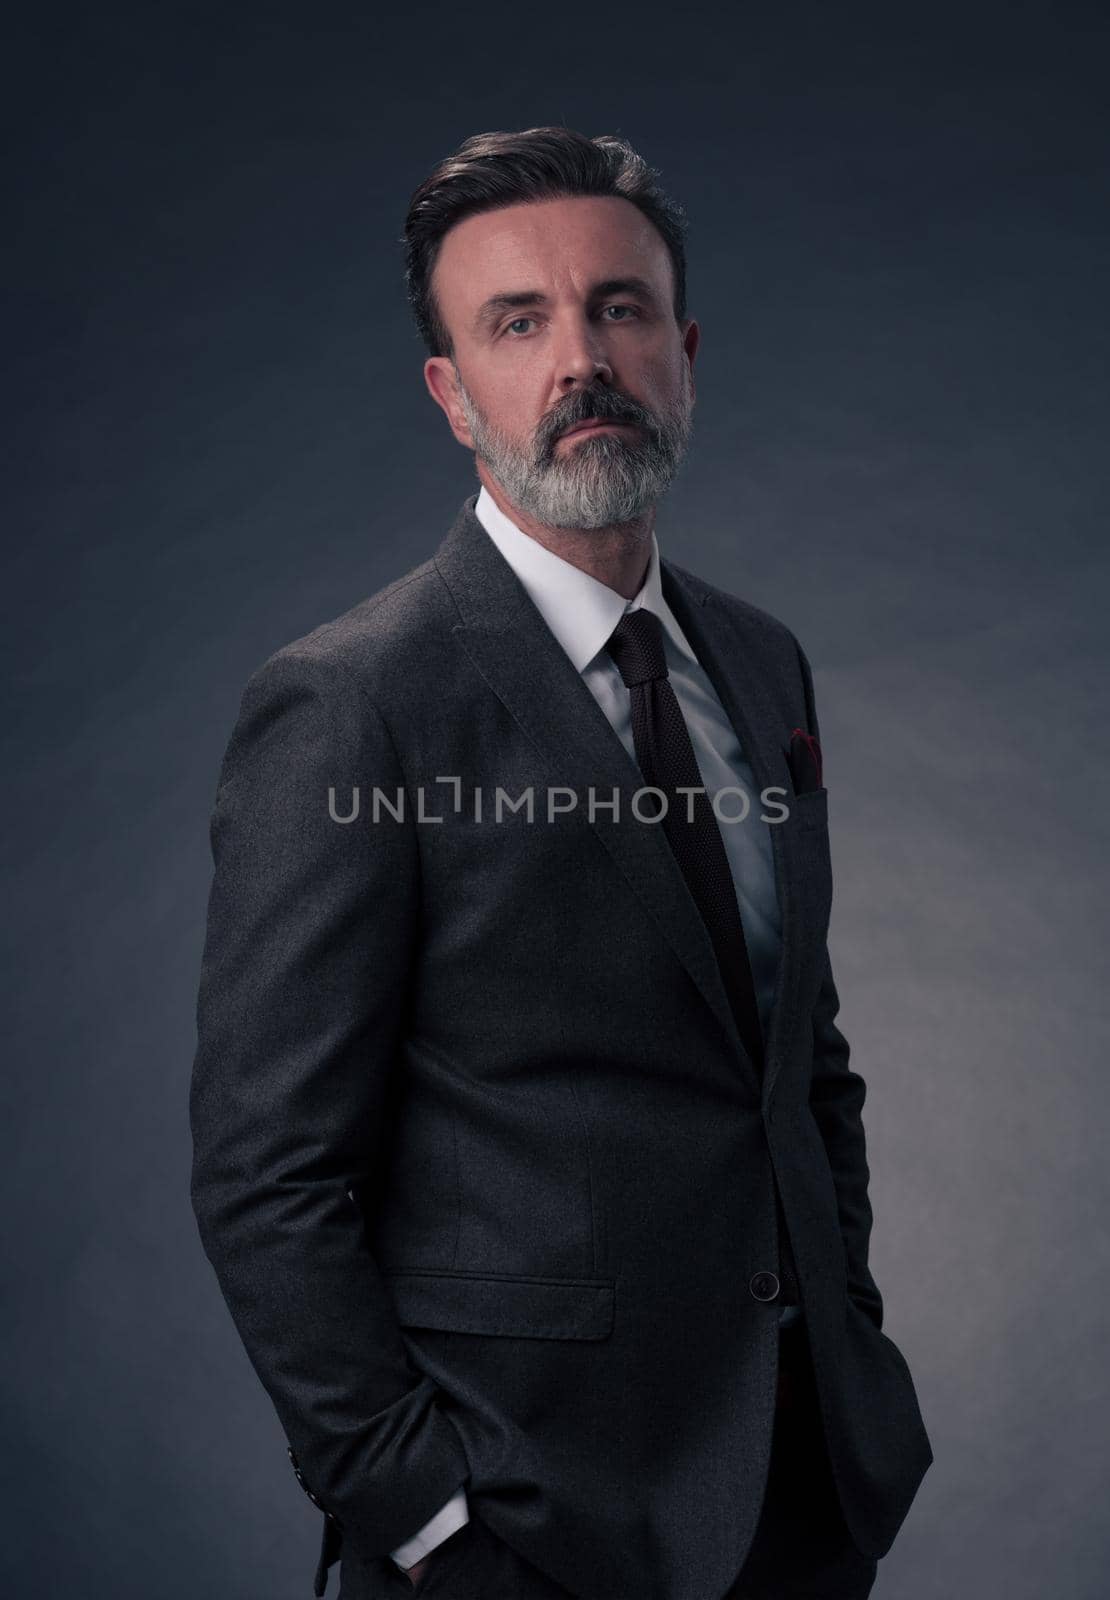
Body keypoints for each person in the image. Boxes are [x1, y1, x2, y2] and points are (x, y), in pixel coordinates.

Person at [189, 126, 933, 1600]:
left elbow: (796, 1058)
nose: (577, 357)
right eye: (515, 323)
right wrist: (424, 1516)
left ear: (684, 351)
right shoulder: (355, 699)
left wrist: (843, 1327)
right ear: (451, 395)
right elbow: (267, 1175)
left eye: (617, 307)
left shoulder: (756, 657)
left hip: (801, 1488)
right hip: (523, 1522)